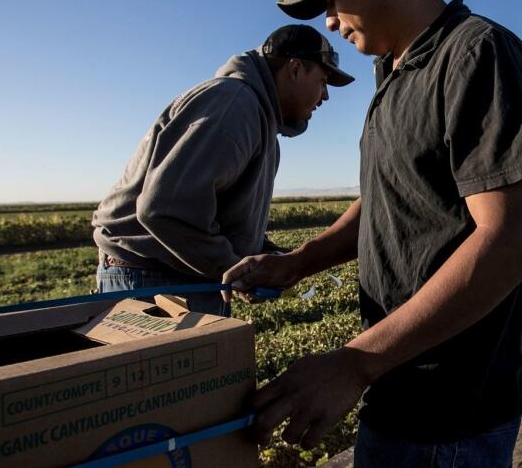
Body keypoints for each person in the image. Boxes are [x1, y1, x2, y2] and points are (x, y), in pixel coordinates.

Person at [226, 0, 522, 468]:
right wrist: (298, 262)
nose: (327, 19)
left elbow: (510, 241)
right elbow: (386, 200)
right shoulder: (393, 73)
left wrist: (354, 362)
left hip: (446, 407)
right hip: (409, 387)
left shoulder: (475, 54)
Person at [91, 25, 353, 316]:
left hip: (179, 277)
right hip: (155, 281)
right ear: (294, 69)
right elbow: (165, 210)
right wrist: (234, 271)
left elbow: (221, 218)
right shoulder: (234, 105)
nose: (325, 95)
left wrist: (267, 259)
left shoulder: (259, 122)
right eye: (323, 80)